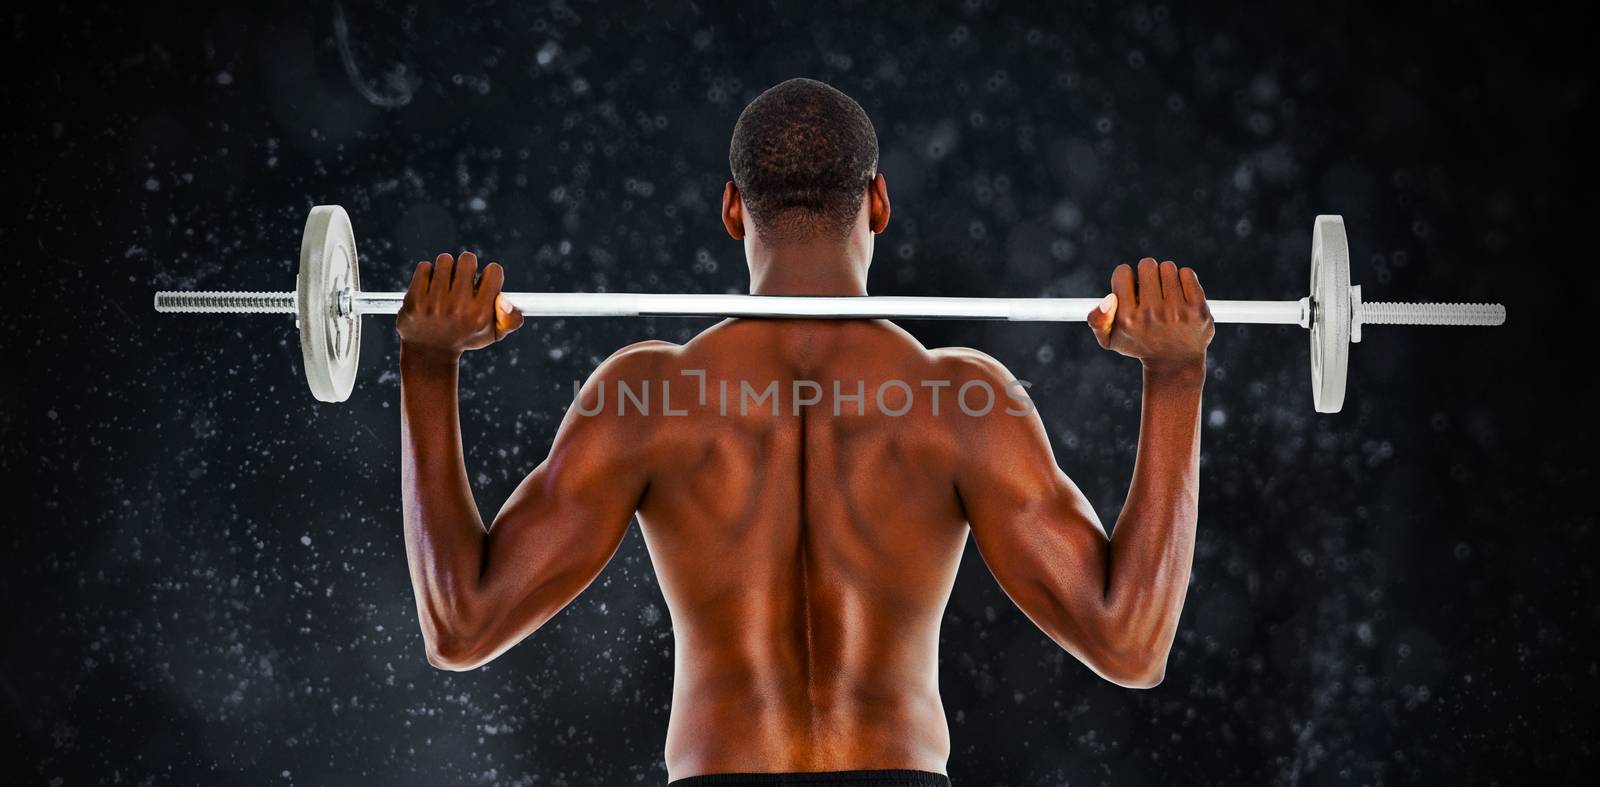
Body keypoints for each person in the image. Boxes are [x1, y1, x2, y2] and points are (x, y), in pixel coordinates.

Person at [394, 78, 1213, 786]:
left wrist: (430, 364)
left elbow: (462, 626)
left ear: (730, 209)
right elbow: (1130, 643)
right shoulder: (963, 400)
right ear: (880, 203)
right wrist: (1174, 376)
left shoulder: (646, 396)